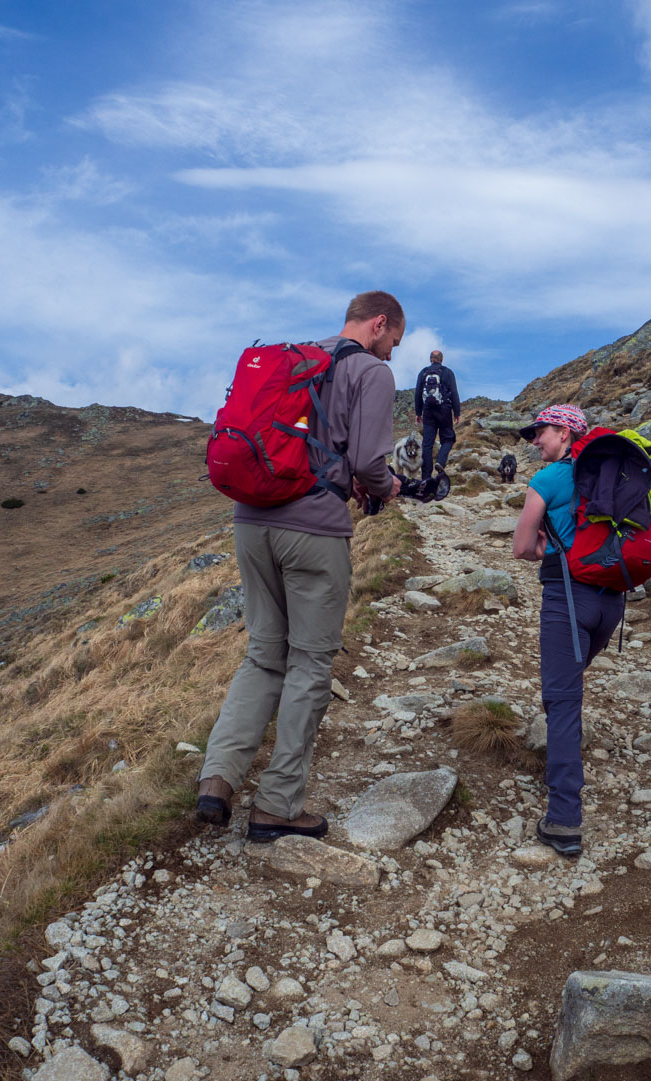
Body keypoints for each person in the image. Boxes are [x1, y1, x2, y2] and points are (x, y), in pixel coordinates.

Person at [196, 291, 405, 842]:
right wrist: (388, 487)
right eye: (393, 345)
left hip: (250, 522)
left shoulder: (296, 359)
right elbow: (366, 462)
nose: (390, 357)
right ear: (380, 324)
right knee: (310, 664)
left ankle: (217, 780)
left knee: (264, 655)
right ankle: (278, 806)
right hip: (312, 531)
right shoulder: (370, 373)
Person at [512, 404, 624, 857]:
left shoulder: (549, 479)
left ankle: (563, 820)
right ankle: (563, 772)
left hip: (566, 598)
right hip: (612, 602)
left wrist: (542, 547)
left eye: (541, 432)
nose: (535, 440)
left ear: (564, 432)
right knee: (567, 686)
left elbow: (521, 546)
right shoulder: (616, 474)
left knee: (562, 703)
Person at [414, 349, 460, 480]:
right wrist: (457, 412)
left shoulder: (423, 372)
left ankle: (426, 477)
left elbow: (417, 393)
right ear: (441, 359)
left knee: (427, 444)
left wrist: (418, 412)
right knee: (448, 438)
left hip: (428, 411)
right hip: (444, 410)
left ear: (430, 359)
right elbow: (454, 393)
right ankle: (440, 461)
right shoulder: (448, 372)